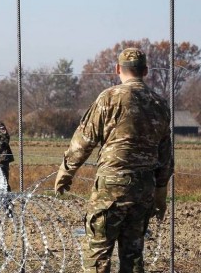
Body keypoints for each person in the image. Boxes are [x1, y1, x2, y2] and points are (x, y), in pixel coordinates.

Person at [54, 48, 172, 273]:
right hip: (144, 188)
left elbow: (84, 141)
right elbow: (165, 155)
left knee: (98, 254)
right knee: (133, 254)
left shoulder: (109, 98)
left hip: (112, 187)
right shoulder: (160, 104)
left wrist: (66, 172)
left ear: (118, 69)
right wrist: (160, 193)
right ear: (145, 71)